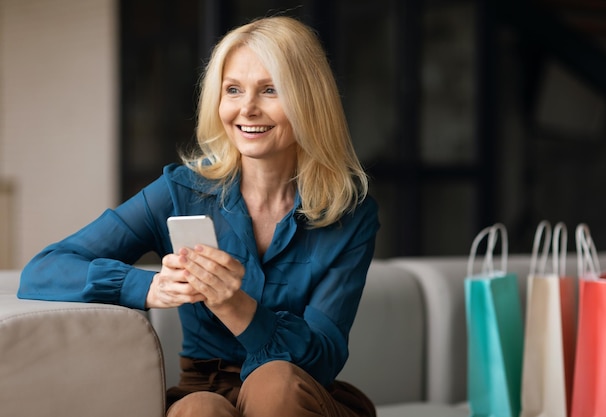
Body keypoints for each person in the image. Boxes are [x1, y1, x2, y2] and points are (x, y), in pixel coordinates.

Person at [18, 15, 379, 417]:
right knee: (200, 412)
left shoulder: (350, 213)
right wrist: (149, 287)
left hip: (299, 393)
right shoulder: (181, 191)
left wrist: (236, 306)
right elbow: (44, 269)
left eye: (270, 90)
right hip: (206, 387)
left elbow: (324, 356)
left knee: (273, 384)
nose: (247, 108)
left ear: (309, 99)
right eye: (233, 90)